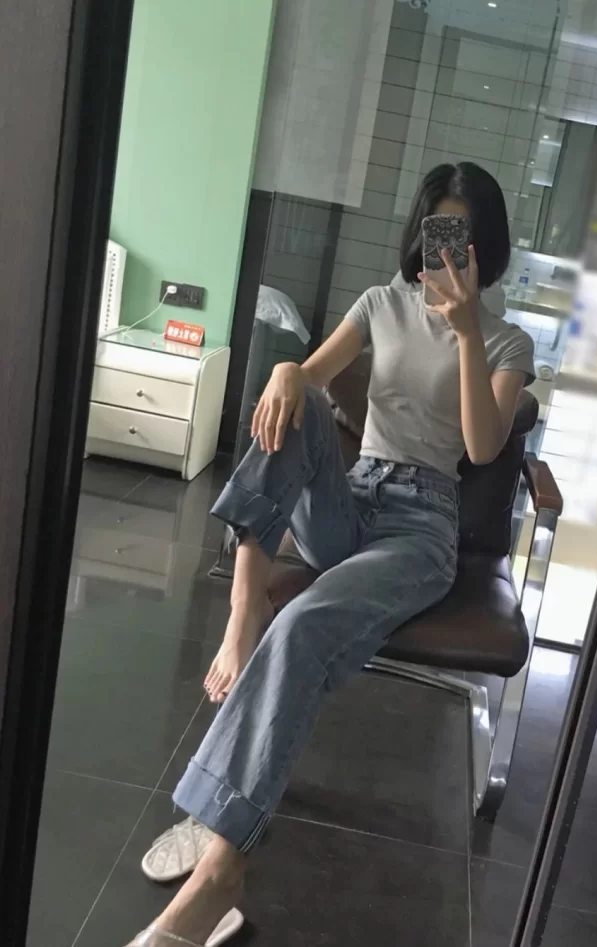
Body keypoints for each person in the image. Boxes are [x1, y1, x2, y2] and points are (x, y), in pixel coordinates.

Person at [128, 161, 534, 946]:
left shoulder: (506, 339)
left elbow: (483, 447)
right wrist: (287, 369)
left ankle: (219, 865)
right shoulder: (380, 302)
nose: (447, 252)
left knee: (304, 625)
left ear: (486, 247)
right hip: (355, 499)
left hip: (422, 526)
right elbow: (306, 383)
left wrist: (467, 332)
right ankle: (244, 604)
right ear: (421, 234)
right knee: (294, 397)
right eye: (438, 232)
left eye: (464, 238)